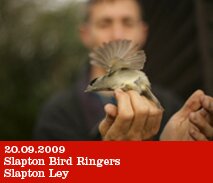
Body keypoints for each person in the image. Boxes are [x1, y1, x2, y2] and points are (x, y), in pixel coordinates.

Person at [33, 0, 213, 141]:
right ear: (85, 34)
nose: (117, 35)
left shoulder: (172, 106)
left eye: (127, 22)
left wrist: (180, 157)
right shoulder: (58, 114)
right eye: (105, 24)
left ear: (143, 32)